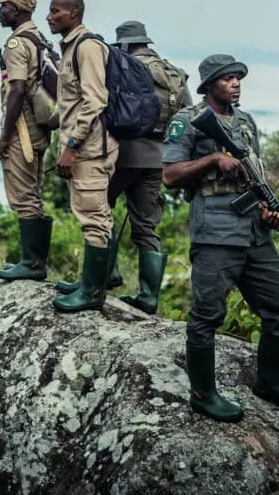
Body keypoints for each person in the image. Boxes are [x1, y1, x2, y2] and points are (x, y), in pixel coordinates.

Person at [162, 53, 279, 422]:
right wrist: (213, 161)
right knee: (207, 316)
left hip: (255, 233)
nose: (235, 82)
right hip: (216, 233)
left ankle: (271, 383)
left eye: (238, 77)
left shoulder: (246, 122)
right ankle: (203, 394)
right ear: (209, 85)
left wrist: (270, 212)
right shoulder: (188, 122)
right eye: (226, 78)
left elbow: (254, 176)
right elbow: (170, 174)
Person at [54, 20, 193, 314]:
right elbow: (187, 117)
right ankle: (148, 297)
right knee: (146, 225)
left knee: (99, 209)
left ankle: (102, 277)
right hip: (159, 159)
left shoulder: (122, 66)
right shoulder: (174, 73)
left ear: (125, 45)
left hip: (124, 154)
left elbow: (105, 106)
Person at [45, 0, 119, 312]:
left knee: (94, 217)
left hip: (90, 148)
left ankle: (91, 293)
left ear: (73, 13)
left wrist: (72, 146)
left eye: (55, 11)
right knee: (91, 213)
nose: (49, 17)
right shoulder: (72, 47)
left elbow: (94, 100)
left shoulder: (86, 47)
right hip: (85, 146)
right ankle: (90, 282)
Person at [0, 0, 55, 281]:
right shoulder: (40, 38)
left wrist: (5, 136)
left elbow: (16, 89)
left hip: (22, 129)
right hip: (40, 128)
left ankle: (31, 263)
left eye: (3, 6)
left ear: (16, 10)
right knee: (34, 191)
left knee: (23, 194)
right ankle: (34, 261)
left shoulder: (16, 44)